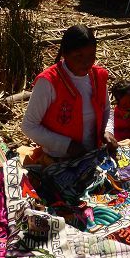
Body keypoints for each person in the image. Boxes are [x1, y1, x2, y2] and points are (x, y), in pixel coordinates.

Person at [22, 25, 118, 161]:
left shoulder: (98, 76)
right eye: (79, 56)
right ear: (65, 54)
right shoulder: (48, 82)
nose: (86, 62)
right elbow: (29, 126)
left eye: (91, 55)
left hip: (93, 154)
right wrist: (67, 145)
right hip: (59, 158)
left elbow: (107, 109)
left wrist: (108, 131)